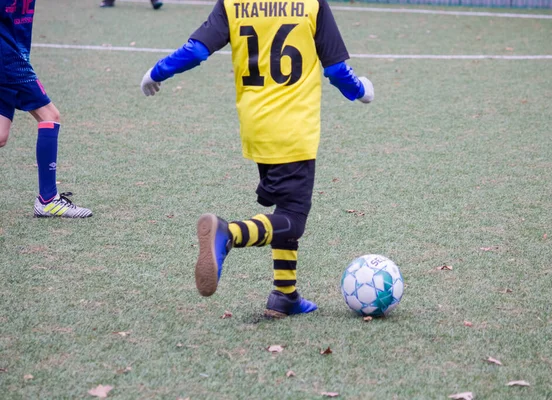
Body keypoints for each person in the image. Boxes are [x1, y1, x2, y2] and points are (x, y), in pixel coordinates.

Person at [140, 0, 373, 317]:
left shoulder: (233, 3)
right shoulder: (311, 3)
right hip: (294, 128)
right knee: (293, 219)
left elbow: (196, 51)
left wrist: (157, 71)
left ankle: (285, 295)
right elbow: (335, 69)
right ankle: (228, 234)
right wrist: (361, 90)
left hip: (255, 126)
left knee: (284, 207)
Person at [0, 0, 92, 218]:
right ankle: (48, 200)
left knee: (1, 135)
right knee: (49, 115)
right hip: (8, 59)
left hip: (14, 51)